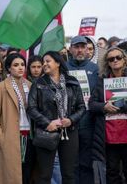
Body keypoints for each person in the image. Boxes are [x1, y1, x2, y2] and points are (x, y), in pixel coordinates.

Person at [27, 51, 86, 184]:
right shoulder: (39, 83)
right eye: (44, 62)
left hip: (69, 131)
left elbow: (82, 107)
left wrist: (70, 120)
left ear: (58, 63)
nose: (44, 64)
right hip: (47, 132)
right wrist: (47, 123)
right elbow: (31, 108)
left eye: (48, 61)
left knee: (69, 174)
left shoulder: (72, 82)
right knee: (44, 175)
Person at [0, 53, 33, 184]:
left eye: (22, 65)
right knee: (11, 175)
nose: (20, 68)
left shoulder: (30, 85)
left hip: (30, 135)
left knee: (27, 171)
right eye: (16, 65)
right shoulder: (1, 87)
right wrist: (0, 138)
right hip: (10, 136)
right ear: (8, 68)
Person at [89, 47, 127, 184]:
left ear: (124, 60)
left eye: (118, 57)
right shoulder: (102, 81)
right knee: (112, 173)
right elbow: (92, 104)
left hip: (126, 134)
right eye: (111, 59)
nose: (115, 60)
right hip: (109, 137)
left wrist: (121, 105)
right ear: (108, 63)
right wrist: (104, 106)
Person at [66, 36, 99, 184]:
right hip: (70, 123)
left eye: (82, 47)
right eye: (76, 47)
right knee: (71, 164)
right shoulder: (63, 67)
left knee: (87, 163)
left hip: (88, 123)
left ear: (87, 49)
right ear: (71, 49)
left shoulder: (94, 68)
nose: (79, 50)